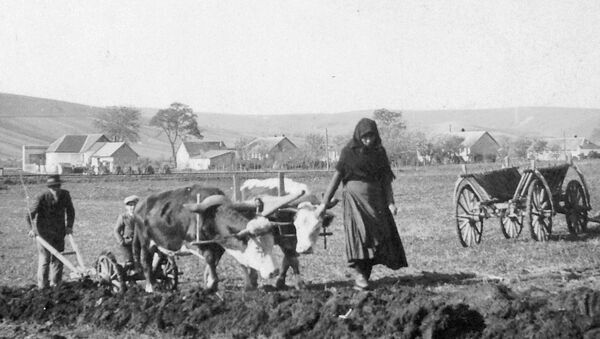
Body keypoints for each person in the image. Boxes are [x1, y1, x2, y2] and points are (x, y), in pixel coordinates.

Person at [316, 118, 408, 291]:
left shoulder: (379, 153)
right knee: (359, 237)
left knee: (377, 239)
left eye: (371, 136)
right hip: (354, 200)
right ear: (358, 136)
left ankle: (365, 275)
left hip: (376, 201)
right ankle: (359, 274)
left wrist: (390, 202)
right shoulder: (348, 153)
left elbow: (386, 180)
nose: (368, 140)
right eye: (365, 137)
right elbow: (336, 179)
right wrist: (323, 204)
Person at [26, 174, 75, 289]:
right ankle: (43, 286)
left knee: (59, 258)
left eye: (57, 186)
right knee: (45, 259)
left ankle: (56, 284)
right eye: (52, 187)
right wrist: (31, 230)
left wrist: (69, 226)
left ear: (60, 186)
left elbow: (71, 211)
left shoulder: (65, 195)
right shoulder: (42, 197)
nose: (55, 189)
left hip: (59, 231)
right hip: (44, 233)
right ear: (48, 187)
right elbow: (29, 215)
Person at [113, 195, 140, 269]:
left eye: (134, 205)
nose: (132, 207)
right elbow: (116, 230)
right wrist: (121, 241)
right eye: (130, 205)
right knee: (129, 261)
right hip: (128, 242)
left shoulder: (140, 217)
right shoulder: (123, 217)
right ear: (126, 207)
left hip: (139, 242)